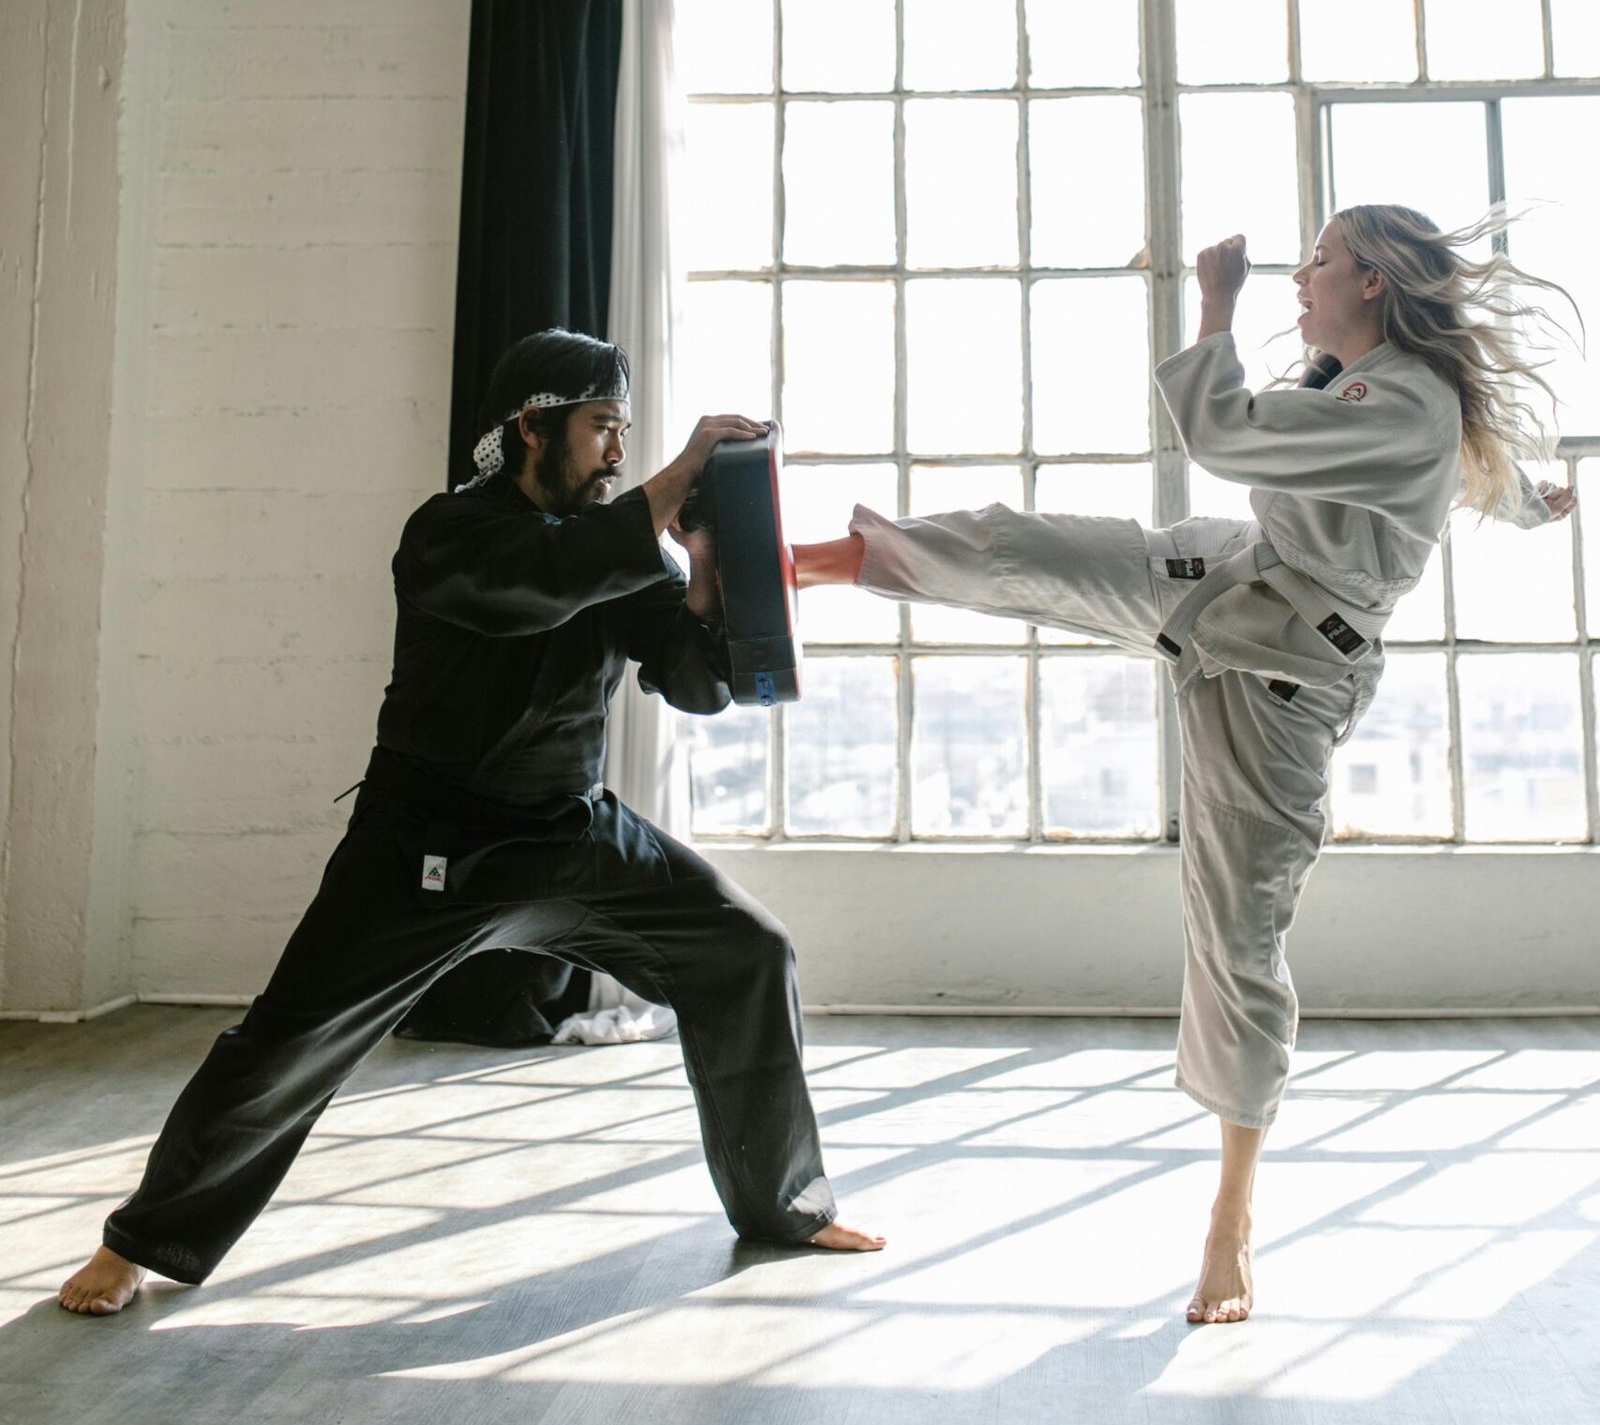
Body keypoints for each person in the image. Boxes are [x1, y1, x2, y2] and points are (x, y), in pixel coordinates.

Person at [792, 207, 1576, 1327]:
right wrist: (1530, 504)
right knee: (1027, 547)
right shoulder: (1375, 394)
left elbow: (1226, 437)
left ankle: (1230, 1218)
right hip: (1222, 578)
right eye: (1302, 260)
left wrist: (1213, 304)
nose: (1301, 277)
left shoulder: (1405, 402)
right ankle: (792, 567)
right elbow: (1468, 474)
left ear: (1374, 279)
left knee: (1236, 937)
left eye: (1319, 260)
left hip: (1286, 679)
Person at [60, 328, 883, 1316]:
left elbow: (696, 681)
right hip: (427, 847)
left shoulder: (612, 545)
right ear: (533, 427)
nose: (617, 451)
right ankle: (140, 1244)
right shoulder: (449, 534)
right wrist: (671, 484)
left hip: (572, 838)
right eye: (601, 428)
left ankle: (782, 1207)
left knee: (746, 953)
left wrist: (704, 561)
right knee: (285, 1045)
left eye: (625, 429)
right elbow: (535, 588)